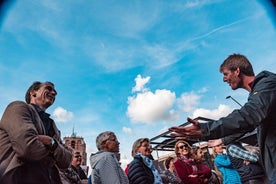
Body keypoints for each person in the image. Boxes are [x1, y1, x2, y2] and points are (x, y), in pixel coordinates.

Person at [169, 53, 276, 183]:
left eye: (225, 74)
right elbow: (246, 124)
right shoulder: (260, 94)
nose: (224, 79)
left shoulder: (267, 84)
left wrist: (206, 129)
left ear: (237, 71)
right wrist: (221, 139)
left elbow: (248, 116)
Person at [0, 81, 72, 184]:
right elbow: (28, 148)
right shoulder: (18, 108)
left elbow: (66, 162)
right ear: (33, 92)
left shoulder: (52, 125)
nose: (54, 93)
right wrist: (57, 153)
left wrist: (52, 142)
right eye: (48, 88)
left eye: (55, 91)